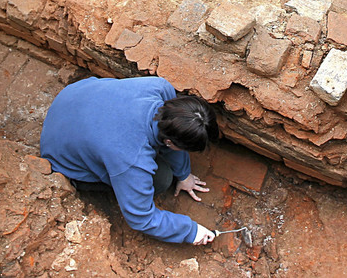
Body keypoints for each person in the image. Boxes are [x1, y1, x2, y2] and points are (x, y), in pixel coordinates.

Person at [39, 75, 220, 245]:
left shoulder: (160, 87)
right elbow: (142, 219)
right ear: (169, 142)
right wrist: (191, 232)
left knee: (155, 165)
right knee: (162, 179)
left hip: (73, 97)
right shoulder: (131, 161)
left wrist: (183, 175)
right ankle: (81, 180)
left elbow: (170, 138)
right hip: (59, 153)